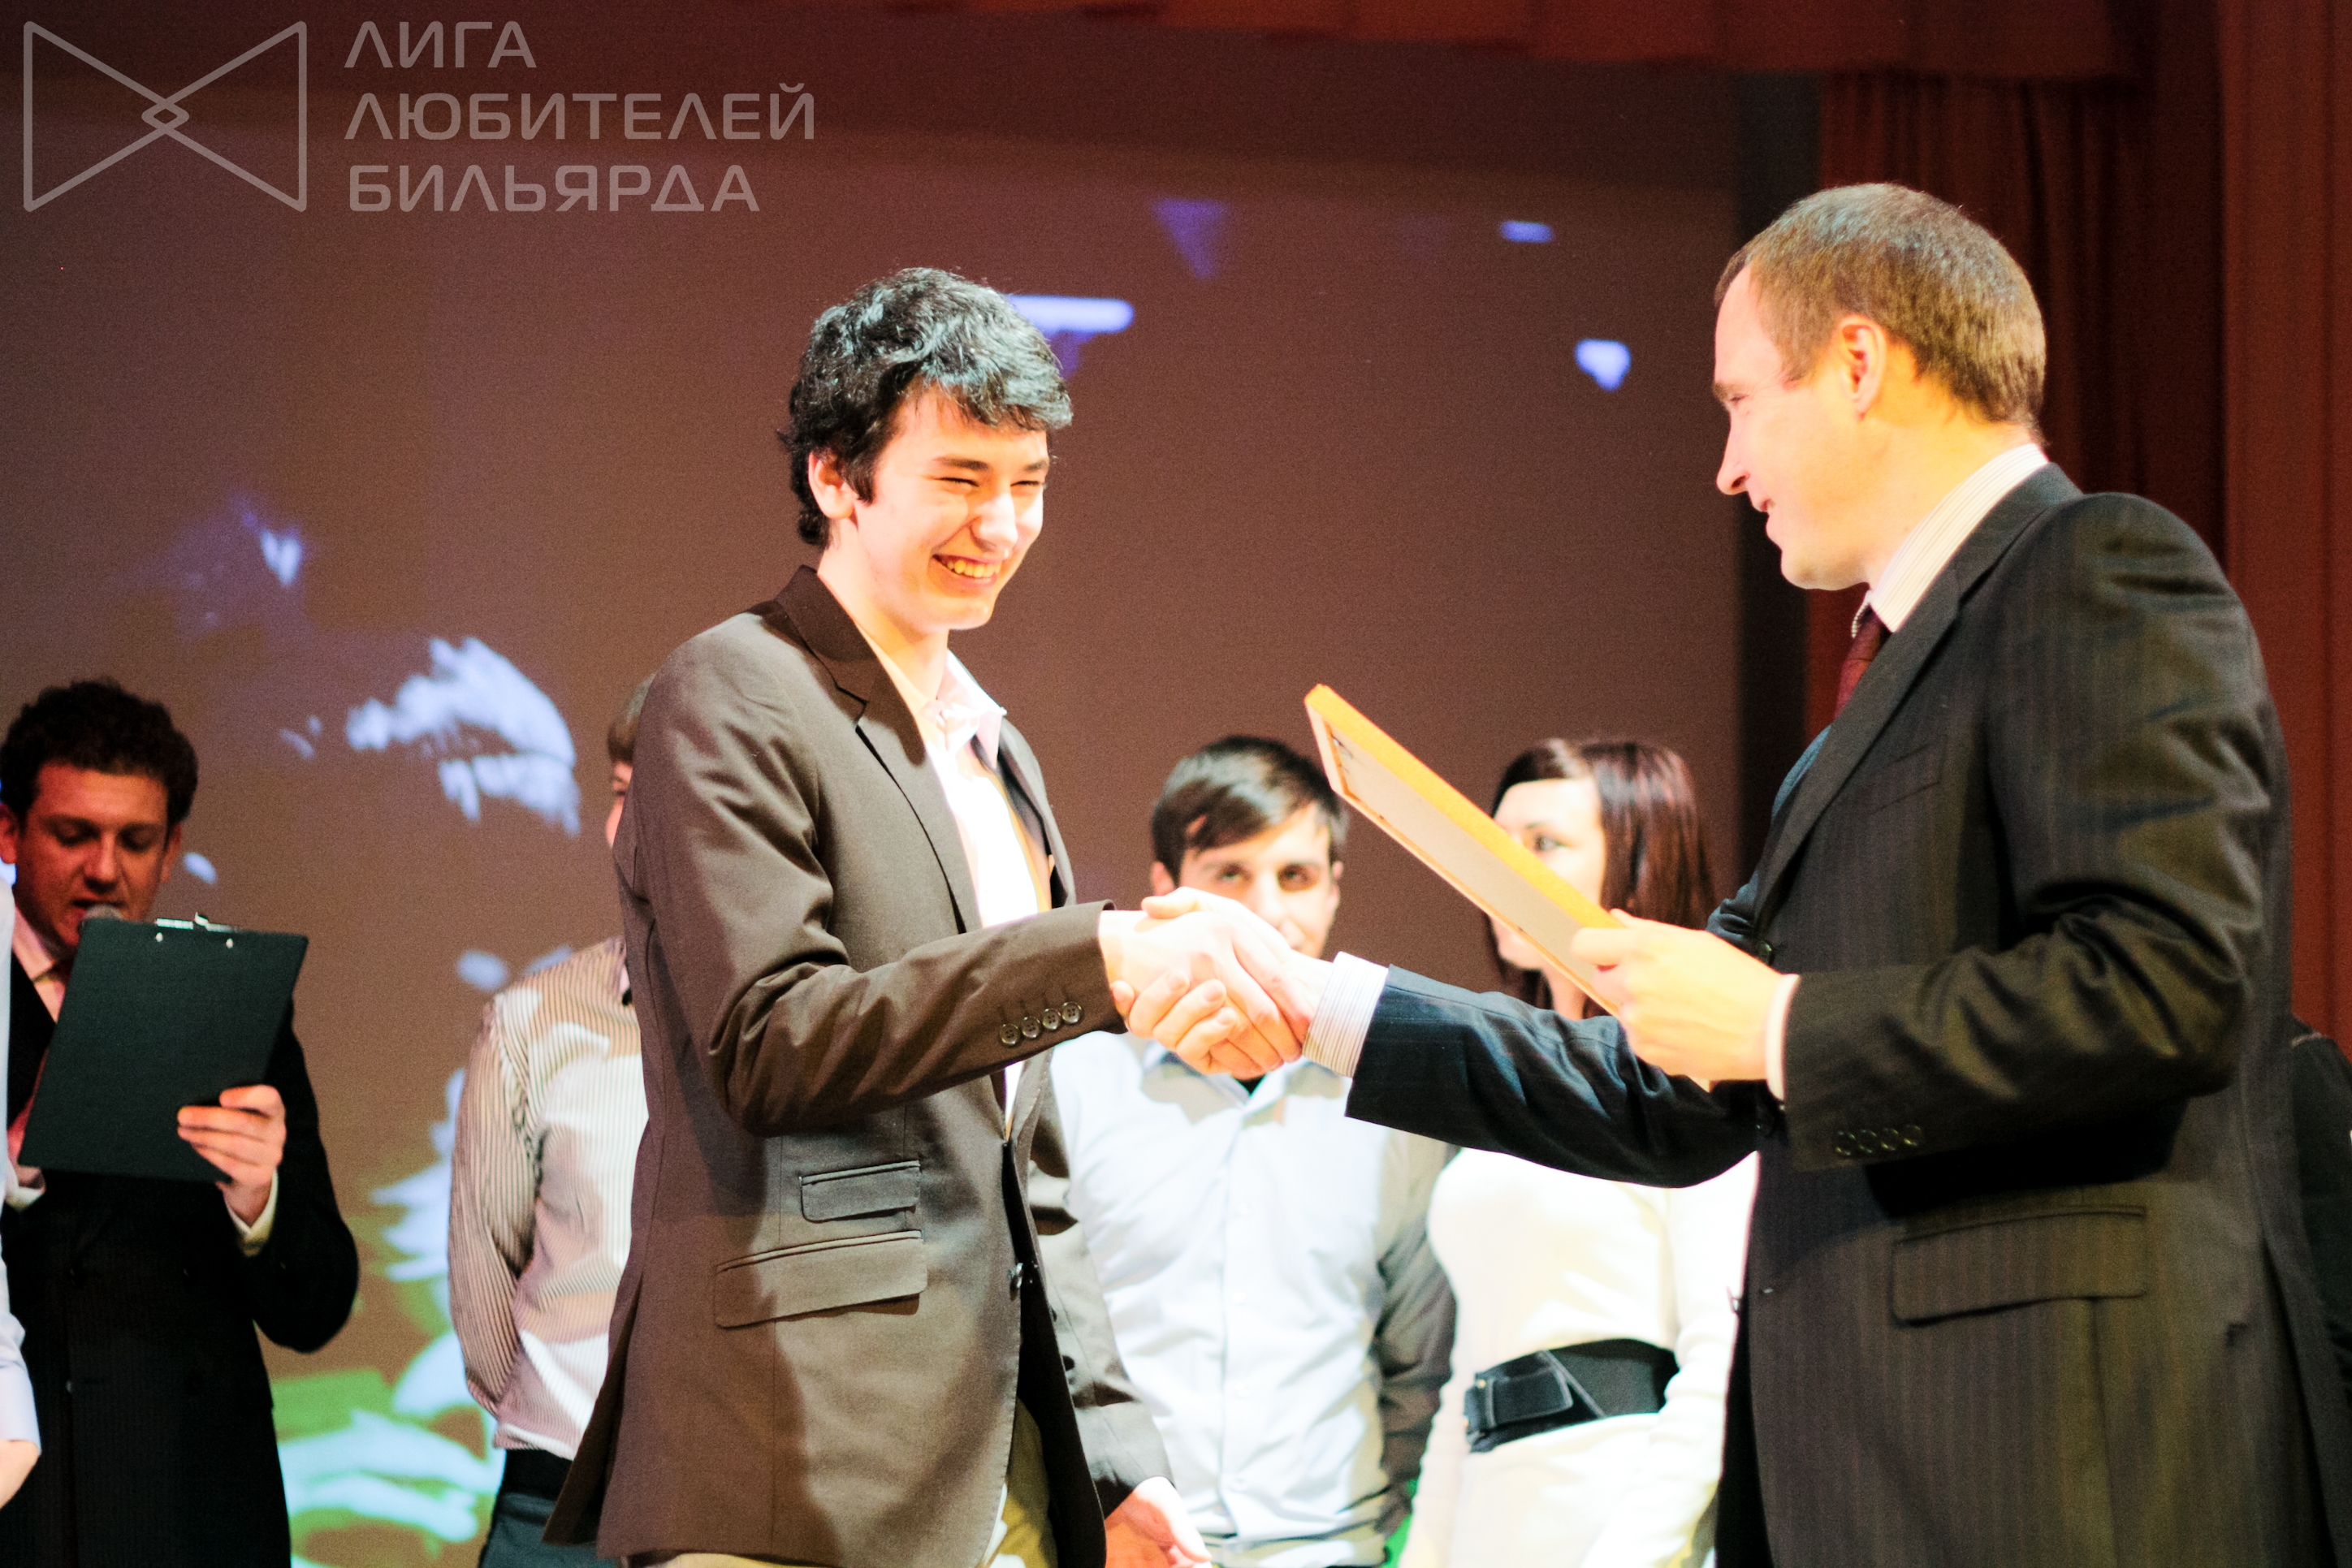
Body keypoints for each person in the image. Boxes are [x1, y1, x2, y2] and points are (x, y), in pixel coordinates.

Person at [1127, 185, 2352, 1563]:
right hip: (1905, 1482)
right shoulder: (1857, 724)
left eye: (1739, 401)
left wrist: (1776, 1022)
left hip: (2069, 1468)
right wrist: (1319, 1005)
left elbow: (2168, 981)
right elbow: (1667, 1081)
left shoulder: (2094, 566)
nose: (1725, 467)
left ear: (1858, 361)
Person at [548, 267, 1292, 1568]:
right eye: (960, 478)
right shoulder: (733, 687)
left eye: (1029, 482)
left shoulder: (999, 752)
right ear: (838, 476)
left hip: (991, 1458)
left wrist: (1115, 1460)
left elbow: (1026, 1165)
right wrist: (1093, 953)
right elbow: (770, 1040)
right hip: (793, 1441)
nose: (1000, 523)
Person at [1051, 737, 1454, 1568]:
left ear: (1334, 888)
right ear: (1165, 890)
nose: (1264, 911)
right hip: (1131, 1548)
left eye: (1295, 875)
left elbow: (1419, 1363)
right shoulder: (1076, 1081)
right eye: (1229, 873)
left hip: (1335, 1548)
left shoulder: (1396, 1110)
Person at [0, 677, 360, 1566]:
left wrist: (258, 1203)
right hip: (27, 1495)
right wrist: (14, 1162)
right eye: (73, 834)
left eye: (136, 841)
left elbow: (317, 1305)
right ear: (8, 832)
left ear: (172, 852)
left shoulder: (227, 1003)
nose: (105, 869)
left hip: (194, 1500)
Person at [1400, 740, 1752, 1568]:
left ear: (1636, 857)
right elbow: (1468, 1369)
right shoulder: (1508, 1083)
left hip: (1617, 1507)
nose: (1504, 869)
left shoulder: (1689, 1071)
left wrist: (1631, 1555)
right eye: (1496, 842)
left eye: (1545, 843)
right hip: (1491, 1514)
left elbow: (1719, 1358)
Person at [452, 678, 655, 1566]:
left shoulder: (816, 1021)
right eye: (620, 792)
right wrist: (561, 1419)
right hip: (558, 1503)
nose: (626, 829)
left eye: (662, 798)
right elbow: (483, 1280)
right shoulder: (534, 1021)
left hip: (748, 1508)